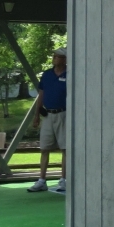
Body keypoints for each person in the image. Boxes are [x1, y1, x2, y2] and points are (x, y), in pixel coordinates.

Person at [27, 47, 67, 194]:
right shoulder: (47, 74)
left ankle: (64, 180)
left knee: (65, 149)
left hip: (64, 114)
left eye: (58, 56)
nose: (54, 58)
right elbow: (41, 96)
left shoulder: (70, 74)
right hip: (48, 115)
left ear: (64, 59)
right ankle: (42, 180)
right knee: (44, 148)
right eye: (54, 56)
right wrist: (36, 115)